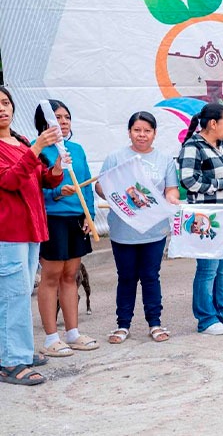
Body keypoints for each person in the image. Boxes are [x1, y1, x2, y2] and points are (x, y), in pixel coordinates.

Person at [95, 112, 180, 344]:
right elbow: (100, 187)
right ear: (129, 132)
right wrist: (109, 188)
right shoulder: (116, 158)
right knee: (126, 277)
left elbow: (171, 189)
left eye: (147, 131)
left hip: (154, 230)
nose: (142, 135)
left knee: (151, 276)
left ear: (154, 133)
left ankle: (155, 322)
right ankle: (123, 325)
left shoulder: (164, 160)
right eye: (137, 130)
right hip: (123, 230)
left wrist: (172, 198)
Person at [0, 86, 65, 385]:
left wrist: (57, 168)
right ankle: (10, 361)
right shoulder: (26, 145)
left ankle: (18, 350)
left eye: (5, 102)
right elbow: (11, 180)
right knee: (10, 296)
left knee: (19, 293)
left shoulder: (21, 140)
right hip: (8, 233)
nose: (2, 109)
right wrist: (37, 148)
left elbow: (38, 178)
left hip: (30, 230)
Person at [34, 99, 100, 356]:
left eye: (66, 117)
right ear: (44, 123)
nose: (62, 122)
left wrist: (89, 214)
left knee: (71, 275)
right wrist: (56, 193)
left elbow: (85, 183)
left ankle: (72, 333)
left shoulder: (77, 149)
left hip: (76, 217)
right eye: (56, 118)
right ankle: (51, 338)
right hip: (51, 218)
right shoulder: (36, 149)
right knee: (50, 277)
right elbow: (33, 190)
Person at [178, 103, 223, 335]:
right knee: (208, 267)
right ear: (213, 124)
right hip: (207, 216)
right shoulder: (193, 146)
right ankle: (206, 318)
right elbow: (188, 180)